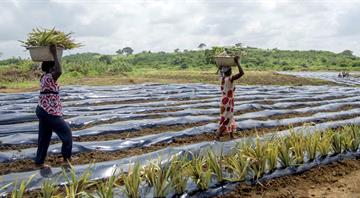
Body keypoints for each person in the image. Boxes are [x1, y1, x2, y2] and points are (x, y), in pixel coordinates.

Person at [35, 45, 72, 168]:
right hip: (50, 111)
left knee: (44, 137)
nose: (56, 67)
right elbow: (60, 71)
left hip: (43, 110)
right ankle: (66, 160)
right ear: (51, 68)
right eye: (54, 65)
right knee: (66, 133)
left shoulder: (44, 77)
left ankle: (39, 161)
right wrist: (55, 54)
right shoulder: (50, 77)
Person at [216, 56, 244, 139]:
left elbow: (220, 71)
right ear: (229, 71)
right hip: (227, 102)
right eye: (230, 70)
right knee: (226, 118)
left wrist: (220, 66)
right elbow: (241, 73)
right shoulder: (230, 79)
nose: (232, 71)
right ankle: (218, 134)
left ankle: (231, 135)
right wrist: (237, 62)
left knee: (229, 117)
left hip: (225, 101)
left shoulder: (222, 78)